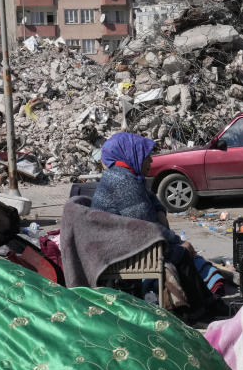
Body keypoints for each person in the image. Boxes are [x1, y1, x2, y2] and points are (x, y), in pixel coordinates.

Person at [91, 132, 227, 321]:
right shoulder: (125, 183)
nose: (151, 160)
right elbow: (147, 227)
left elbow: (151, 206)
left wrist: (161, 214)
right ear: (132, 154)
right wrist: (178, 241)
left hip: (121, 244)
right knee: (181, 254)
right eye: (146, 156)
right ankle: (202, 309)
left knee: (180, 252)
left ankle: (205, 306)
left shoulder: (124, 176)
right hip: (121, 253)